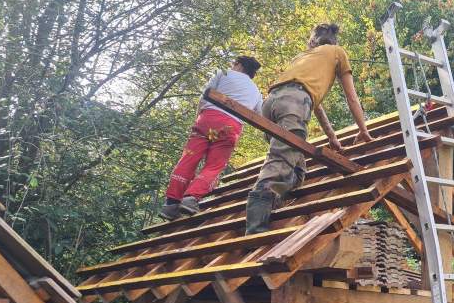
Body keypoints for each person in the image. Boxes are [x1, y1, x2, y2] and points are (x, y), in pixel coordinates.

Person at [245, 23, 373, 234]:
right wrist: (363, 129)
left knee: (297, 171)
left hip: (271, 103)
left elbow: (315, 105)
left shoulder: (303, 58)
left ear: (313, 41)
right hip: (294, 103)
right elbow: (351, 97)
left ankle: (272, 202)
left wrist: (332, 136)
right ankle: (255, 227)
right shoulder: (337, 52)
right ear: (334, 42)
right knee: (279, 162)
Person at [159, 56, 263, 220]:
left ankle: (171, 203)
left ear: (239, 65)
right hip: (229, 127)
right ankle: (191, 198)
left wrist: (198, 118)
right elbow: (259, 115)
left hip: (207, 120)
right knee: (214, 165)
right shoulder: (256, 91)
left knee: (189, 158)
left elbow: (204, 96)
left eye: (234, 63)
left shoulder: (223, 73)